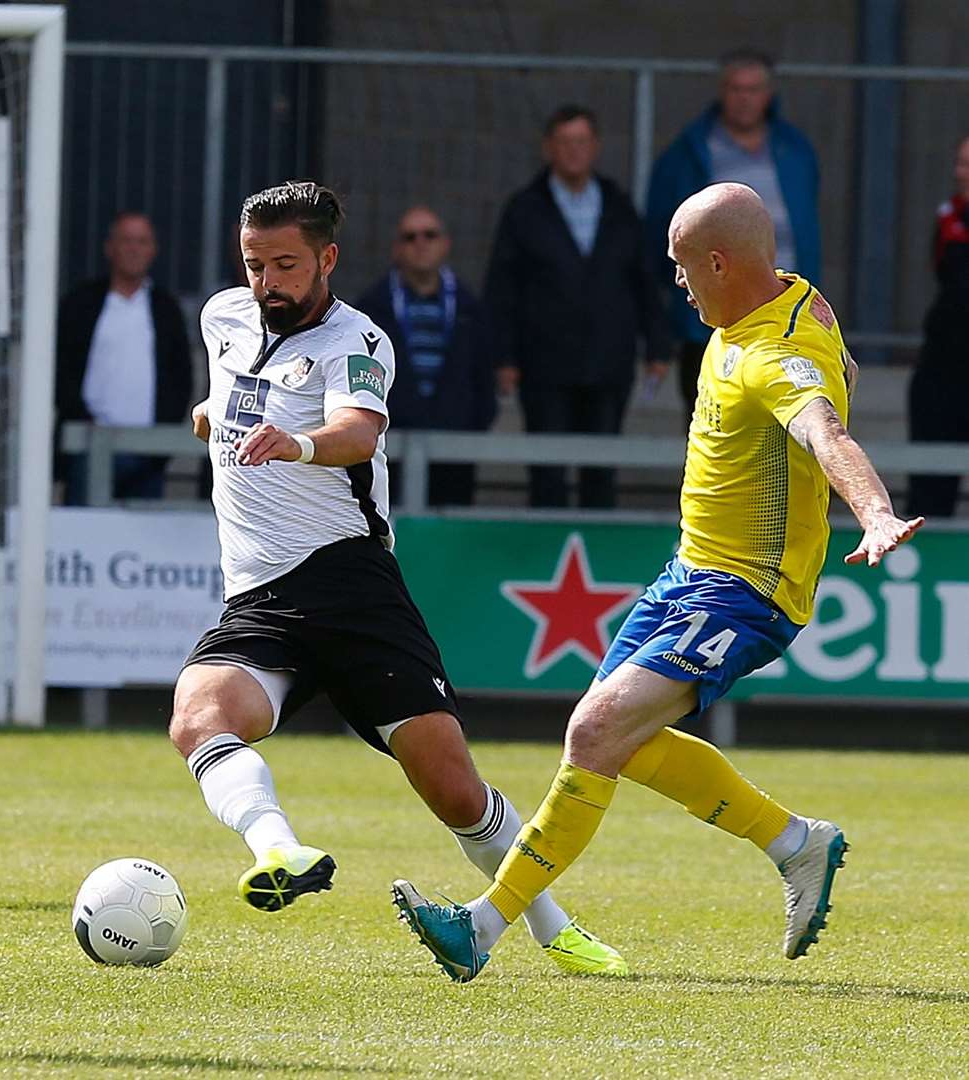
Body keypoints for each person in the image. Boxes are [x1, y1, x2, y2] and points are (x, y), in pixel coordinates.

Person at [393, 184, 925, 983]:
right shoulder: (795, 300)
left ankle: (480, 929)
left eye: (682, 267)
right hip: (688, 573)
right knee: (623, 744)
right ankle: (796, 844)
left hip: (745, 590)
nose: (675, 281)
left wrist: (876, 513)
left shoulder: (772, 358)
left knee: (593, 733)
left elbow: (826, 429)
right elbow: (836, 358)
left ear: (719, 262)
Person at [178, 180, 626, 978]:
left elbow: (355, 431)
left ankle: (555, 928)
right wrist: (210, 413)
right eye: (254, 264)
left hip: (350, 584)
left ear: (328, 258)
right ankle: (280, 852)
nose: (267, 283)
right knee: (200, 716)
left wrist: (299, 445)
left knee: (453, 789)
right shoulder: (224, 316)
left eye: (285, 264)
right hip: (258, 595)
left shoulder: (360, 340)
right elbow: (234, 391)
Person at [484, 105, 668, 509]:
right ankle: (545, 556)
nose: (574, 151)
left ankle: (595, 556)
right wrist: (504, 357)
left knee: (601, 472)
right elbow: (502, 289)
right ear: (549, 148)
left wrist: (657, 346)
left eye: (582, 142)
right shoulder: (525, 209)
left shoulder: (619, 207)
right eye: (565, 142)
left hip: (608, 363)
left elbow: (643, 280)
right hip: (544, 365)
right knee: (547, 472)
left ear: (596, 147)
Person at [648, 48, 822, 418]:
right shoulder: (688, 153)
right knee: (714, 423)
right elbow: (661, 233)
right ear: (721, 92)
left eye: (754, 89)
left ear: (769, 94)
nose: (744, 98)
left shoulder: (795, 150)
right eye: (735, 89)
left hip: (783, 310)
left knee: (791, 416)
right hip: (714, 313)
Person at [353, 204, 496, 507]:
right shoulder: (369, 310)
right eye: (410, 237)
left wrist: (468, 427)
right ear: (397, 249)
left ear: (445, 244)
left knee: (453, 546)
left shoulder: (471, 309)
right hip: (389, 455)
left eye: (429, 235)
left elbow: (484, 380)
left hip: (456, 454)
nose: (420, 243)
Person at [56, 211, 192, 503]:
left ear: (153, 250)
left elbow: (181, 378)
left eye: (142, 241)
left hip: (148, 456)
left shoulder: (166, 309)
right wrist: (79, 417)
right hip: (89, 449)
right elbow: (61, 369)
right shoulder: (81, 303)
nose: (134, 249)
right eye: (126, 240)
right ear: (110, 247)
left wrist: (163, 442)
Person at [907, 135, 969, 519]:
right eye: (961, 163)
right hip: (945, 364)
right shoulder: (948, 217)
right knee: (930, 486)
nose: (962, 173)